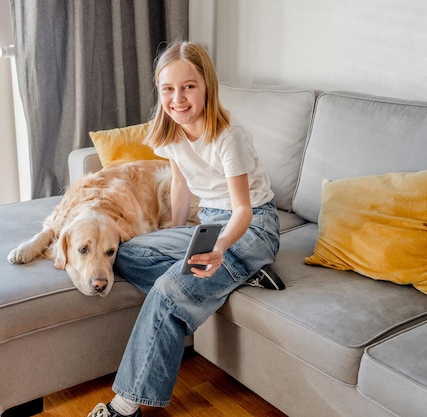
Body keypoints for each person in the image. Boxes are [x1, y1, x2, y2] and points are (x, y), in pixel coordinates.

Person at [87, 41, 282, 417]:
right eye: (168, 89)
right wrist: (175, 235)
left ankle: (124, 406)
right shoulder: (170, 132)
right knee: (128, 254)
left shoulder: (229, 137)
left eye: (188, 86)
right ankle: (242, 275)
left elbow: (243, 208)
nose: (178, 98)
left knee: (170, 290)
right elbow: (181, 184)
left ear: (207, 85)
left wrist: (222, 247)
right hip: (209, 220)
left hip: (253, 226)